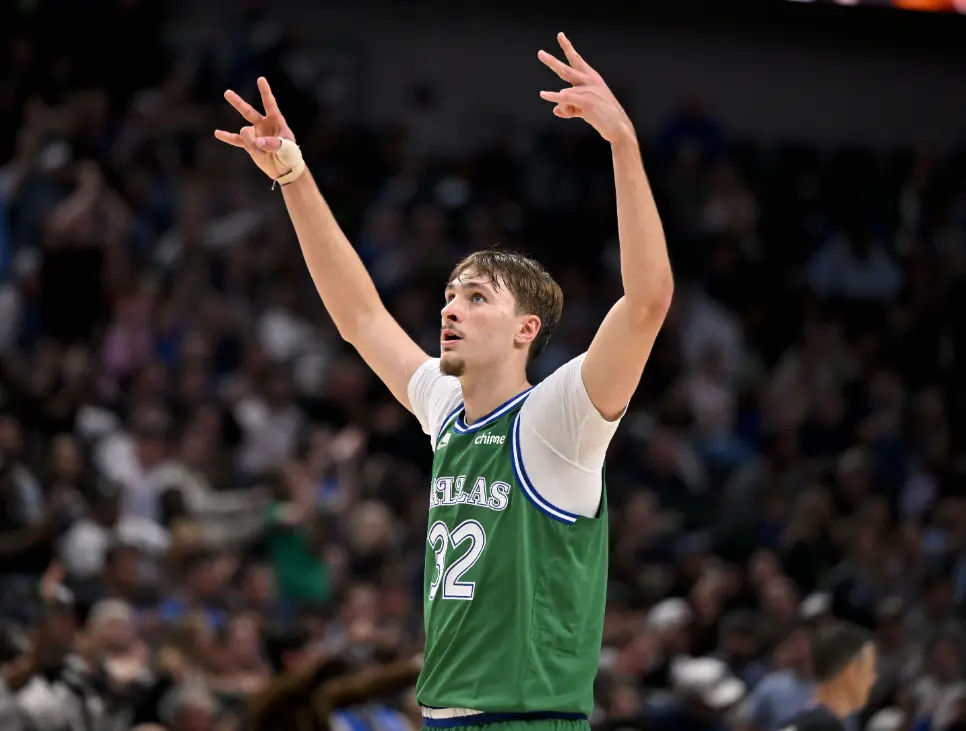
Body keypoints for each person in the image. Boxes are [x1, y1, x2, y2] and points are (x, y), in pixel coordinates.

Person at [215, 31, 673, 731]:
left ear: (526, 329)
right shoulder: (447, 406)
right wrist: (294, 177)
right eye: (451, 294)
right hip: (443, 718)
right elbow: (361, 318)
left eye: (477, 297)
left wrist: (623, 144)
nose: (450, 308)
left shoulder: (559, 420)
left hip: (527, 720)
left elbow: (646, 303)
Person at [777, 621, 878, 731]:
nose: (874, 679)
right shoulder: (824, 726)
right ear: (850, 672)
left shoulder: (796, 722)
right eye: (869, 669)